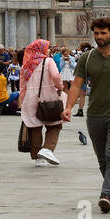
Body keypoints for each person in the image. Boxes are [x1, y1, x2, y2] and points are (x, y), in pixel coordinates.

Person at [62, 17, 110, 214]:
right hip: (95, 114)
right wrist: (68, 107)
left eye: (103, 33)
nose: (99, 37)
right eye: (96, 33)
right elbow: (77, 84)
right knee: (103, 160)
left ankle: (106, 195)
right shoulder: (87, 58)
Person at [18, 39, 64, 167]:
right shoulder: (48, 61)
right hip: (48, 96)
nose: (48, 49)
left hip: (30, 99)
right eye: (47, 47)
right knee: (54, 125)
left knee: (35, 127)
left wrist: (22, 102)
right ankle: (47, 149)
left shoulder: (26, 65)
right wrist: (60, 87)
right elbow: (56, 76)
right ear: (41, 49)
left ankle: (38, 158)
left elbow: (22, 86)